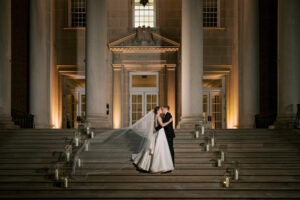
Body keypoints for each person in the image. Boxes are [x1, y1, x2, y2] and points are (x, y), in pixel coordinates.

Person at [132, 106, 174, 173]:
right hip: (160, 133)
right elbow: (162, 125)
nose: (161, 110)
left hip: (161, 133)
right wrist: (169, 121)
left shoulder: (158, 116)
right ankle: (159, 166)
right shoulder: (158, 116)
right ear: (157, 110)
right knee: (159, 150)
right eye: (160, 109)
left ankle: (162, 165)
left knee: (161, 149)